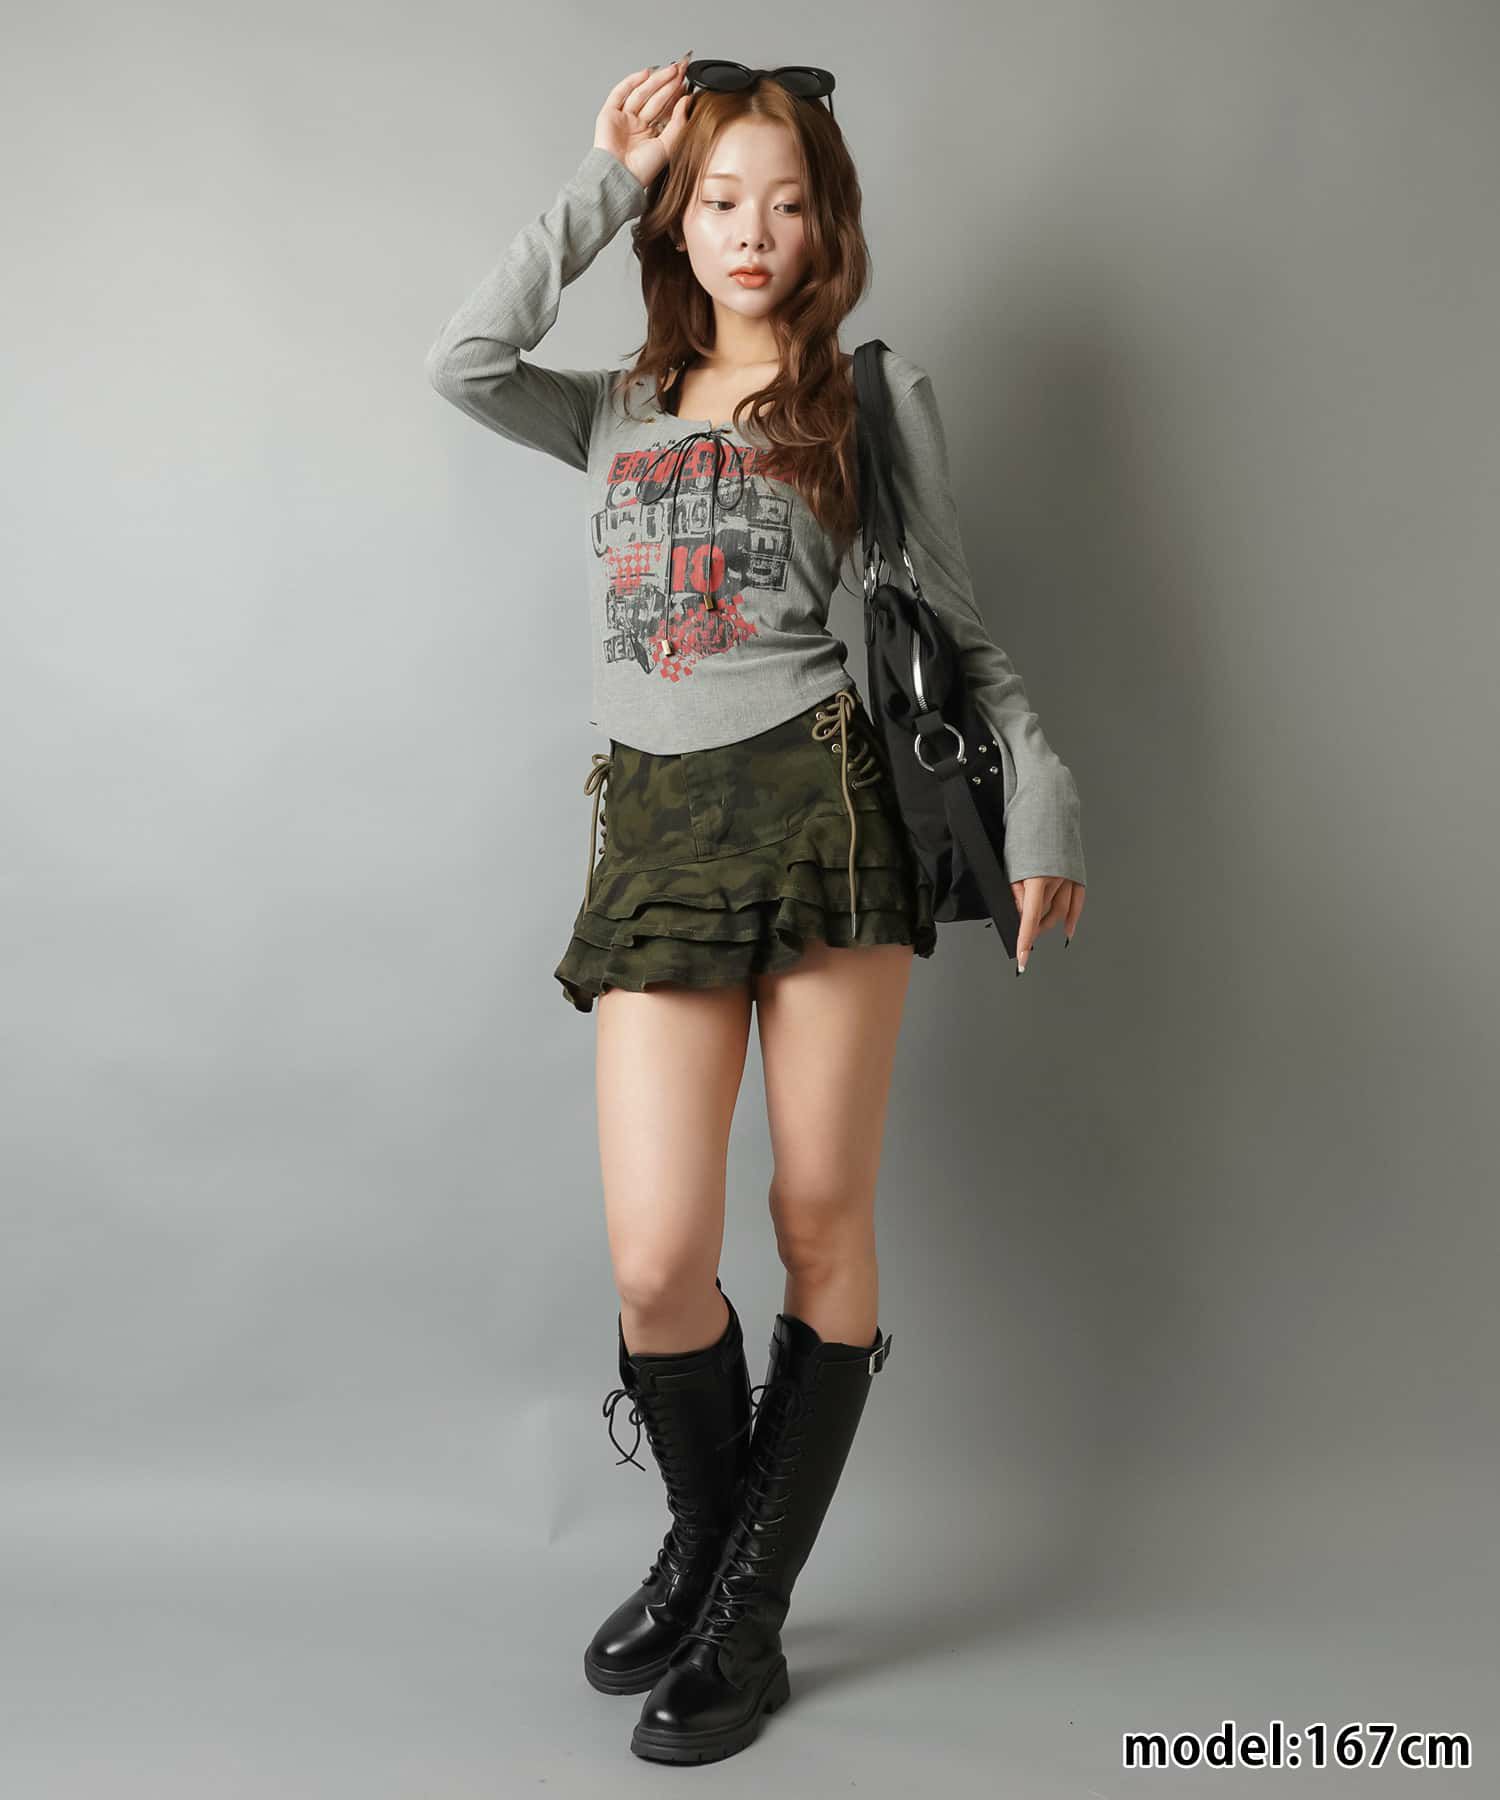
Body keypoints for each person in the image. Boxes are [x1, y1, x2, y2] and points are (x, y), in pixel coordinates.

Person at [426, 55, 1088, 1765]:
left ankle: (744, 1620)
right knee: (659, 1258)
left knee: (813, 1214)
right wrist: (603, 175)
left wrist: (1042, 798)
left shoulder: (866, 396)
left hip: (828, 819)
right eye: (719, 199)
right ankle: (713, 1552)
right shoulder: (614, 405)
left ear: (826, 225)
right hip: (656, 834)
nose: (752, 232)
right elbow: (464, 360)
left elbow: (959, 634)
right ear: (678, 219)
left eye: (786, 202)